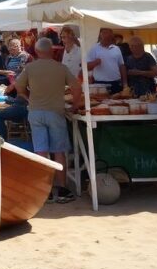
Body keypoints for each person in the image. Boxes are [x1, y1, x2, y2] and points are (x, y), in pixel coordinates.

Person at [13, 37, 83, 203]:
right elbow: (76, 87)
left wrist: (28, 97)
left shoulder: (30, 68)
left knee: (41, 151)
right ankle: (63, 188)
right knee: (59, 151)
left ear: (36, 51)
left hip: (36, 112)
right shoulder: (61, 68)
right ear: (52, 50)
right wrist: (74, 105)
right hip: (55, 112)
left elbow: (18, 86)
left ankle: (46, 190)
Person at [86, 28, 128, 94]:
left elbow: (122, 66)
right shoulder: (94, 48)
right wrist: (95, 63)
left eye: (109, 34)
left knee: (117, 103)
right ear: (100, 35)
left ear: (111, 36)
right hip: (100, 85)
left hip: (116, 84)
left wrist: (125, 84)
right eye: (105, 33)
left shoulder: (117, 49)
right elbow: (86, 67)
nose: (107, 35)